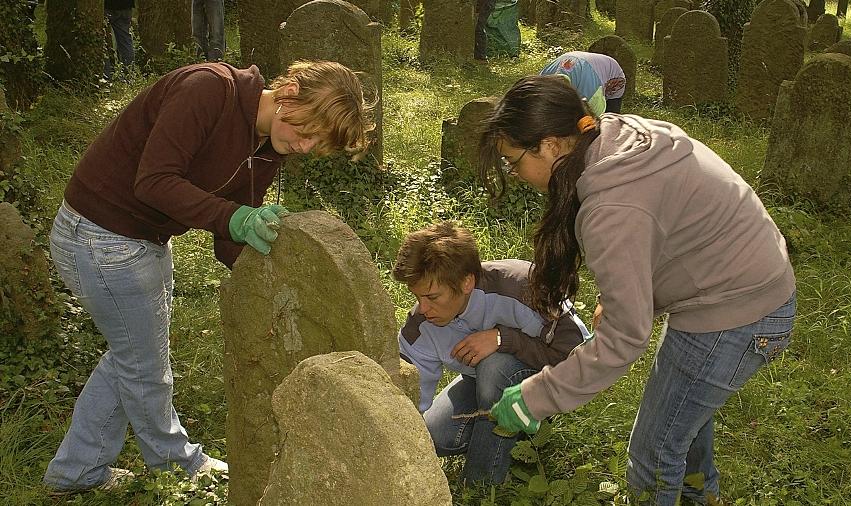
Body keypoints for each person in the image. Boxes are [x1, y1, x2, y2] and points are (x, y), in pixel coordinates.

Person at [43, 60, 375, 494]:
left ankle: (75, 471)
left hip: (144, 239)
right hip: (101, 234)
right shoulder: (207, 91)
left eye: (317, 144)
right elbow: (154, 182)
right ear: (290, 92)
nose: (305, 147)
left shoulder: (269, 146)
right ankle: (179, 467)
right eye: (306, 130)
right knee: (144, 366)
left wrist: (276, 282)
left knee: (133, 355)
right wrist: (234, 218)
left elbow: (232, 238)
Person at [478, 76, 796, 504]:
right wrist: (616, 296)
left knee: (653, 455)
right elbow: (660, 222)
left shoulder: (610, 207)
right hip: (752, 281)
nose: (513, 174)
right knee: (685, 422)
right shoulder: (614, 136)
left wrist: (537, 395)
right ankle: (701, 496)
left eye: (512, 161)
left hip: (737, 312)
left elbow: (624, 339)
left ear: (551, 145)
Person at [392, 222, 589, 484]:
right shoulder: (420, 326)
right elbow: (409, 398)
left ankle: (481, 486)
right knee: (434, 435)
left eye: (432, 297)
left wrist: (504, 339)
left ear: (466, 282)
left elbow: (579, 356)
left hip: (546, 380)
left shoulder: (524, 286)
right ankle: (517, 435)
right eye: (417, 297)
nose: (423, 308)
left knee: (494, 366)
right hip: (479, 384)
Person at [540, 51, 626, 114]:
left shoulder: (590, 92)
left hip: (610, 72)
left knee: (605, 123)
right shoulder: (541, 83)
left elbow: (595, 118)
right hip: (577, 62)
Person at [103, 0, 134, 78]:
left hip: (106, 6)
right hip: (125, 5)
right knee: (125, 41)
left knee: (101, 41)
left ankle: (106, 77)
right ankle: (128, 75)